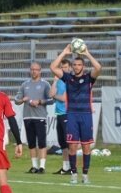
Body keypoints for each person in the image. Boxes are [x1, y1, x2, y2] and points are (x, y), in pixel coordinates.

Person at [50, 43, 102, 184]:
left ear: (83, 67)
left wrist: (87, 54)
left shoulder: (88, 78)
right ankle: (73, 174)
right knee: (72, 146)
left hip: (86, 115)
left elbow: (98, 67)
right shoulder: (67, 78)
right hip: (71, 114)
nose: (76, 67)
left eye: (79, 65)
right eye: (75, 65)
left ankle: (85, 175)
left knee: (86, 146)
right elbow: (53, 67)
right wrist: (64, 52)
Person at [14, 62, 53, 174]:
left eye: (36, 69)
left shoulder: (45, 84)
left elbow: (51, 100)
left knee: (41, 142)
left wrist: (40, 101)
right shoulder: (24, 84)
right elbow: (17, 100)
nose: (34, 71)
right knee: (31, 143)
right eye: (32, 69)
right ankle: (34, 166)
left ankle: (42, 167)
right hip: (27, 116)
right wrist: (23, 100)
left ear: (40, 71)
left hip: (40, 116)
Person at [50, 58, 72, 175]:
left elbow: (64, 98)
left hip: (67, 113)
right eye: (61, 68)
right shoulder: (58, 81)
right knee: (62, 143)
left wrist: (55, 96)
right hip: (59, 114)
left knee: (68, 142)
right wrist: (54, 81)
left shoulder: (69, 81)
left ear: (69, 68)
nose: (63, 70)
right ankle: (65, 167)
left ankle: (72, 167)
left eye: (65, 67)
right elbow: (51, 94)